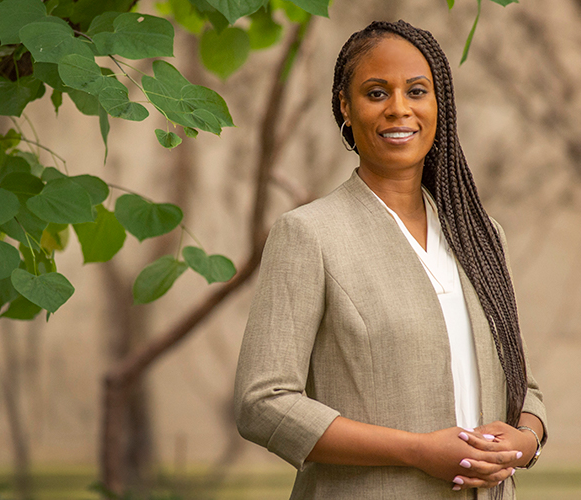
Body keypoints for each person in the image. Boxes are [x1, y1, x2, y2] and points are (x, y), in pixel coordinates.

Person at [234, 20, 547, 500]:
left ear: (439, 105)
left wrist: (525, 442)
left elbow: (520, 384)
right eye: (376, 93)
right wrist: (416, 450)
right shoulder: (310, 234)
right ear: (345, 106)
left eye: (417, 91)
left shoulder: (482, 236)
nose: (399, 108)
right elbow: (264, 403)